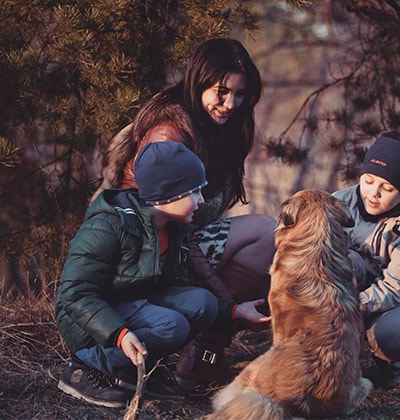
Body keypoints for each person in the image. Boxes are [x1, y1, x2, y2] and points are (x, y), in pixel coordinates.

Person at [92, 37, 276, 389]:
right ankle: (198, 354)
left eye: (239, 95)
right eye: (221, 91)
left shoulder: (220, 128)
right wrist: (227, 304)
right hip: (142, 255)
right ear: (198, 82)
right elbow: (165, 231)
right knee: (264, 233)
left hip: (179, 243)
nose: (229, 104)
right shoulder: (169, 133)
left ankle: (202, 362)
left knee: (266, 235)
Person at [55, 142, 270, 408]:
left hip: (131, 306)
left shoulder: (172, 229)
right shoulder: (109, 225)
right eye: (194, 192)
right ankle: (83, 368)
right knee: (172, 325)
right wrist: (119, 334)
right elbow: (75, 294)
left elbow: (180, 289)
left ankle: (134, 371)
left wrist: (234, 311)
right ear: (167, 195)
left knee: (203, 302)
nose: (201, 200)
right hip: (88, 324)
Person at [333, 130, 400, 390]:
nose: (373, 193)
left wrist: (349, 307)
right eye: (368, 180)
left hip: (395, 301)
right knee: (349, 260)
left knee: (392, 334)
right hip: (343, 290)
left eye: (387, 188)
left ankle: (392, 369)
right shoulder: (338, 202)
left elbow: (395, 287)